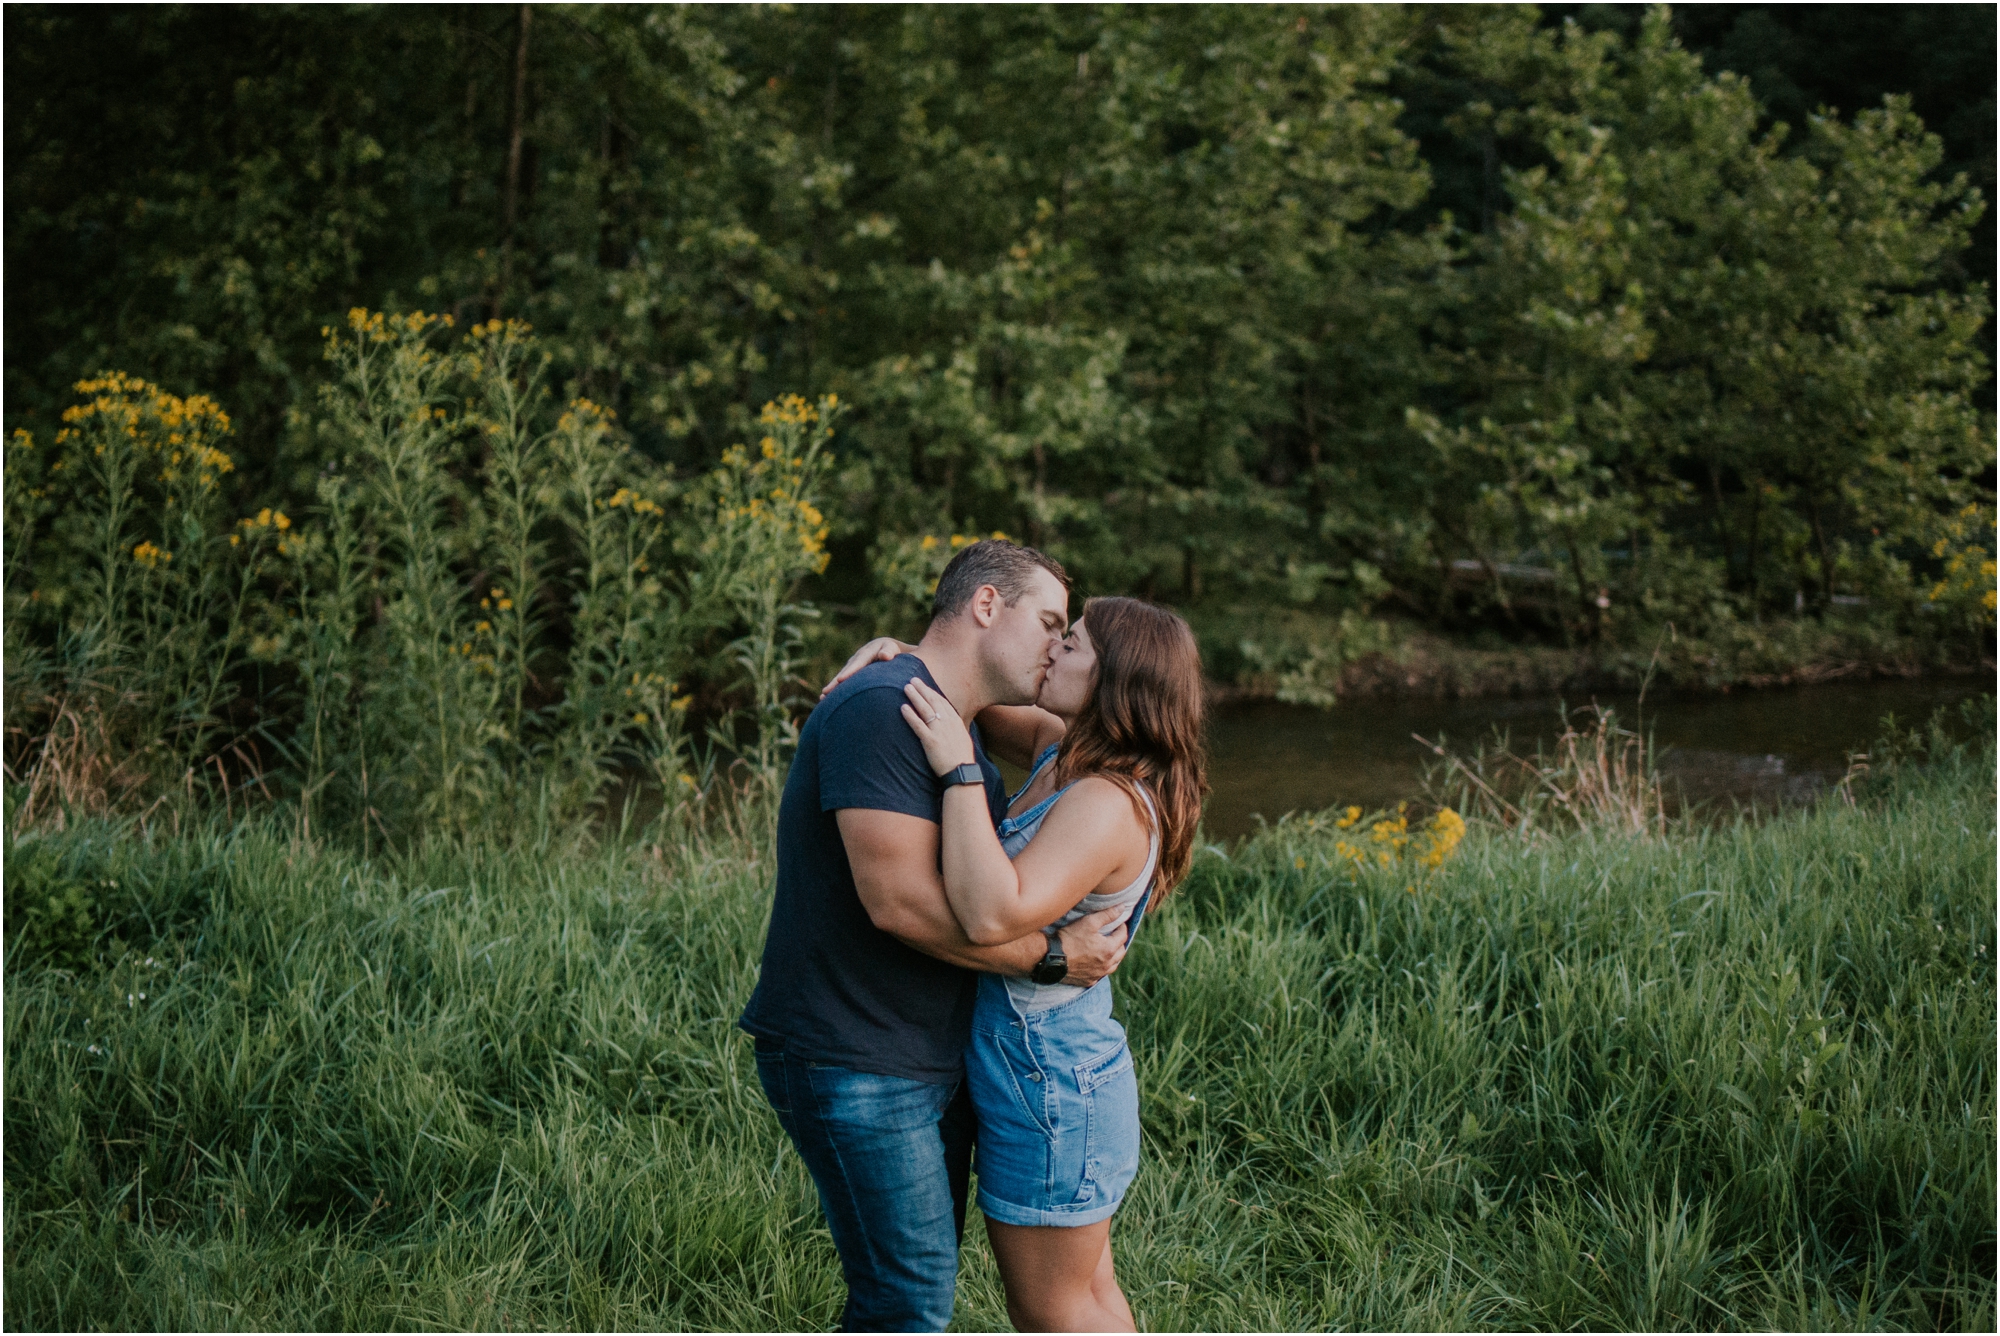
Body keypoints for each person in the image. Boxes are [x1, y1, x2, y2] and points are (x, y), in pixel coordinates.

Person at [739, 540, 1135, 1334]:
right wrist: (1052, 959)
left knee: (918, 1290)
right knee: (908, 1300)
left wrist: (905, 649)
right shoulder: (883, 708)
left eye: (1071, 637)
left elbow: (1079, 725)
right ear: (988, 605)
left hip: (924, 1051)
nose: (1058, 646)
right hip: (856, 1054)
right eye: (1051, 623)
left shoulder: (949, 710)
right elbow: (901, 906)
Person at [829, 595, 1208, 1333]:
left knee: (1051, 1313)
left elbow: (991, 913)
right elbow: (959, 686)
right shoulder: (1063, 748)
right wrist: (896, 653)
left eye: (1073, 645)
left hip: (1050, 1082)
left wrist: (958, 774)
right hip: (1045, 1070)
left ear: (1115, 680)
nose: (1053, 651)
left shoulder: (1104, 800)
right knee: (1087, 1297)